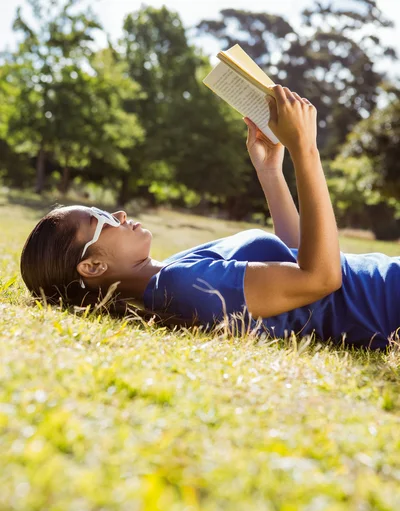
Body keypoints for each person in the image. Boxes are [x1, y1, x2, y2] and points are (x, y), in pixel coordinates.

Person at [20, 85, 400, 349]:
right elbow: (321, 278)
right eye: (100, 219)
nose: (118, 214)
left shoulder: (171, 274)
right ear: (93, 266)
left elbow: (298, 252)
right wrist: (306, 149)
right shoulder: (184, 285)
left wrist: (270, 173)